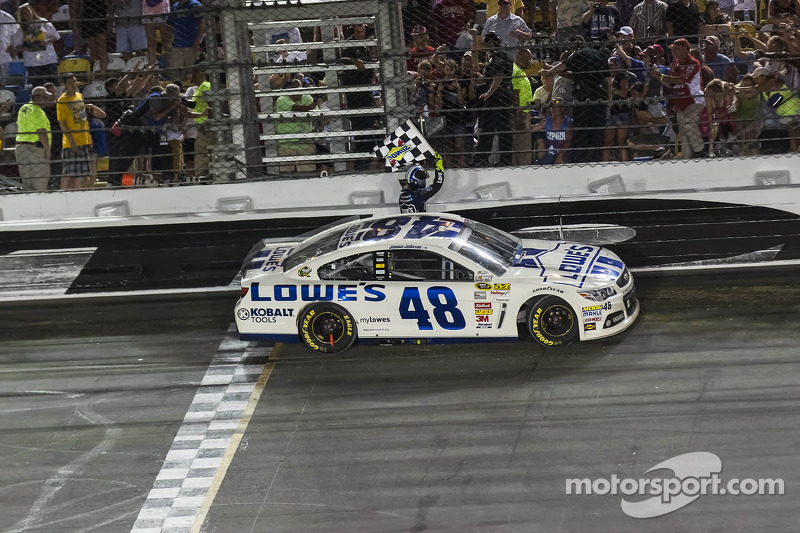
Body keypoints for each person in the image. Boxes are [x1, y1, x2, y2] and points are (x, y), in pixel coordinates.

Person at [540, 43, 609, 162]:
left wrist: (549, 71)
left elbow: (564, 65)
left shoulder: (579, 53)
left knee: (582, 134)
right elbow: (606, 78)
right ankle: (596, 161)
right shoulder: (600, 56)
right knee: (597, 134)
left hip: (584, 100)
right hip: (600, 99)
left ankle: (583, 162)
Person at [657, 38, 705, 159]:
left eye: (678, 49)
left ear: (687, 50)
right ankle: (686, 158)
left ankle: (701, 151)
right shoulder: (674, 64)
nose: (675, 52)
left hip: (694, 100)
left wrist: (662, 76)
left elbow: (682, 80)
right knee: (683, 132)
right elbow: (670, 84)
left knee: (688, 125)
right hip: (679, 101)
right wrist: (658, 77)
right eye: (673, 49)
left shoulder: (692, 62)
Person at [472, 32, 514, 166]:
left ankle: (482, 160)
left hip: (498, 96)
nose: (488, 45)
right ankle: (499, 160)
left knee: (492, 129)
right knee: (498, 129)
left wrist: (489, 93)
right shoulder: (494, 57)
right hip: (499, 95)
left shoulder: (498, 57)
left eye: (490, 42)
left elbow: (498, 76)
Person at [57, 75, 106, 190]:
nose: (74, 85)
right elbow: (63, 124)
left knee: (83, 173)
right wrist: (72, 142)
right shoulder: (62, 101)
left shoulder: (79, 96)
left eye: (75, 82)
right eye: (70, 83)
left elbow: (82, 118)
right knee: (69, 173)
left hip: (84, 140)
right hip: (71, 143)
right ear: (65, 85)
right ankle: (63, 194)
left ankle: (79, 192)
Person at [15, 85, 52, 191]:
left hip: (21, 148)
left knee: (27, 185)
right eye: (44, 97)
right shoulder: (37, 111)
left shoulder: (24, 108)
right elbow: (41, 132)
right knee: (40, 184)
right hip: (35, 149)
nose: (46, 100)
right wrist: (47, 150)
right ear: (36, 97)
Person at [12, 3, 59, 86]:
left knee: (52, 83)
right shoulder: (21, 29)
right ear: (21, 16)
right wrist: (25, 46)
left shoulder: (42, 22)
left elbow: (56, 36)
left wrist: (46, 41)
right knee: (37, 85)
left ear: (32, 11)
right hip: (32, 62)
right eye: (23, 13)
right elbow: (16, 46)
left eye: (27, 11)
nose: (26, 14)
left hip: (48, 58)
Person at [69, 0, 108, 76]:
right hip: (87, 17)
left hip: (100, 14)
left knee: (102, 47)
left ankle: (103, 71)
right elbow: (75, 6)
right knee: (92, 48)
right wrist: (75, 20)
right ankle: (97, 68)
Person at [168, 0, 204, 75]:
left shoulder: (194, 4)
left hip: (192, 44)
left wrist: (197, 42)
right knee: (176, 73)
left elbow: (201, 25)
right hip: (177, 45)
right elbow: (170, 25)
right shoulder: (175, 6)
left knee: (192, 72)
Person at [511, 47, 534, 165]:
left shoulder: (520, 70)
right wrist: (518, 116)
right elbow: (516, 94)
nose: (529, 62)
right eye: (527, 59)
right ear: (519, 57)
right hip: (520, 114)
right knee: (522, 147)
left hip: (523, 113)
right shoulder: (517, 71)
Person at [534, 98, 572, 164]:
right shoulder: (546, 121)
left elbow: (568, 142)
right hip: (549, 154)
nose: (553, 110)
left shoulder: (568, 122)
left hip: (563, 154)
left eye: (556, 107)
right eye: (552, 107)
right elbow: (531, 129)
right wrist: (527, 118)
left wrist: (560, 155)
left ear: (562, 109)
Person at [144, 0, 172, 66]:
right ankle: (152, 65)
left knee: (166, 39)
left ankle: (171, 64)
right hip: (148, 11)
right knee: (151, 41)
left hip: (163, 11)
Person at [0, 9, 18, 84]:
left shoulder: (7, 17)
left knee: (3, 83)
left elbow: (15, 36)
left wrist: (12, 47)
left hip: (3, 56)